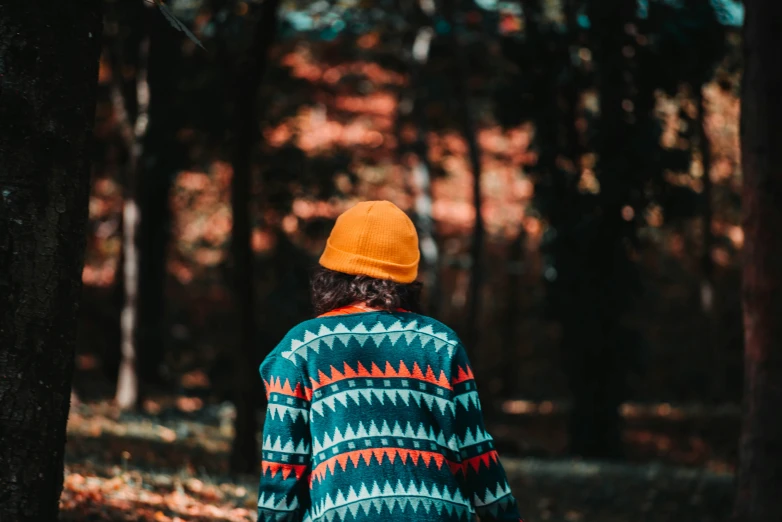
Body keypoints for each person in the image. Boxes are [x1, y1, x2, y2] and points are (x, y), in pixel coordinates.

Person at [257, 201, 524, 522]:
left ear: (331, 270)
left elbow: (283, 464)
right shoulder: (442, 342)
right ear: (407, 275)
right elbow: (476, 454)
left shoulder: (301, 346)